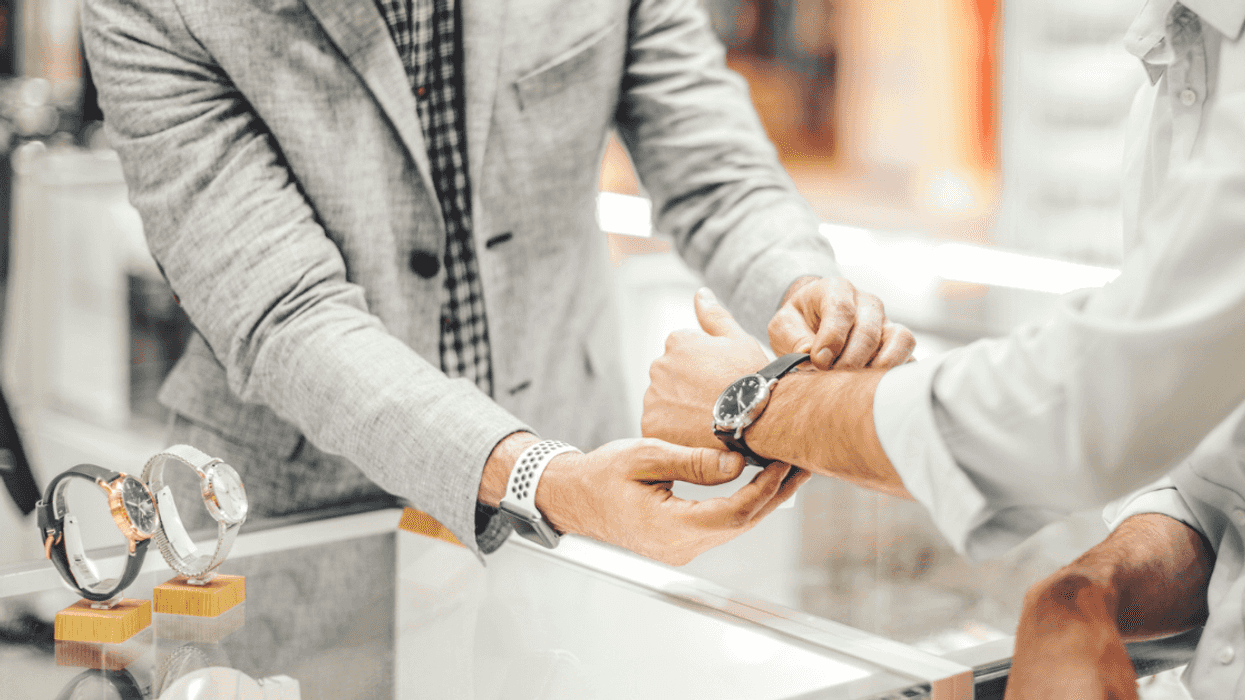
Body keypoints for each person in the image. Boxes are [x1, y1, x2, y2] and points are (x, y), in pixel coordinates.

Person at [80, 0, 915, 563]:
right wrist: (533, 478)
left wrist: (800, 283)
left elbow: (715, 174)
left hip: (581, 463)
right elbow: (282, 311)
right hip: (300, 519)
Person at [644, 0, 1245, 694]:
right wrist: (1081, 594)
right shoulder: (1173, 70)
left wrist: (757, 402)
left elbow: (1083, 407)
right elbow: (1212, 468)